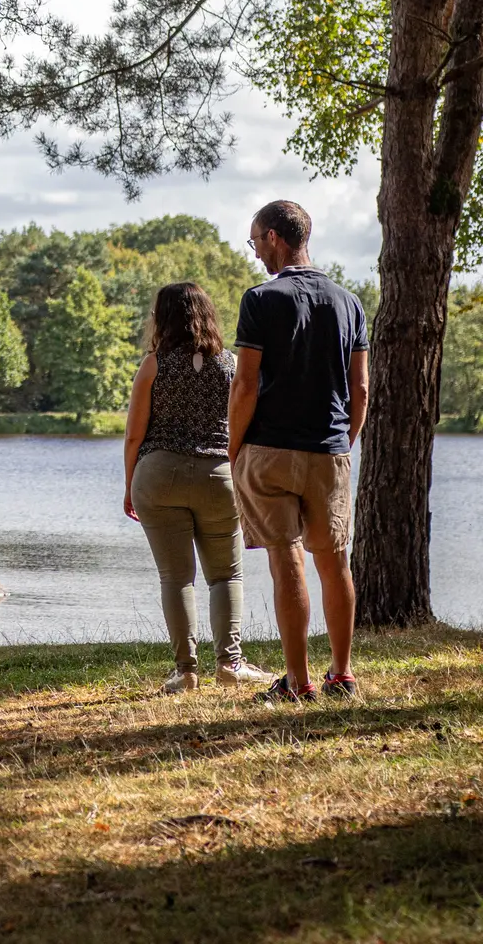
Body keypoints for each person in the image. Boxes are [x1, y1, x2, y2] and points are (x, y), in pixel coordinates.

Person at [230, 200, 369, 703]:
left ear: (273, 237)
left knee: (285, 560)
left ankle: (298, 681)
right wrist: (342, 442)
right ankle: (343, 673)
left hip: (268, 448)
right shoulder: (349, 302)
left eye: (254, 241)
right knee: (335, 563)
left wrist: (233, 446)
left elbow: (245, 385)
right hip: (328, 449)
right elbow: (362, 390)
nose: (255, 252)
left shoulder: (260, 299)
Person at [123, 282, 276, 693]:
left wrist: (128, 486)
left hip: (158, 474)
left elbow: (134, 436)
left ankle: (185, 672)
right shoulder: (229, 364)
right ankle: (230, 663)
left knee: (176, 578)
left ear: (164, 318)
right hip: (218, 476)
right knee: (225, 576)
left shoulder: (153, 365)